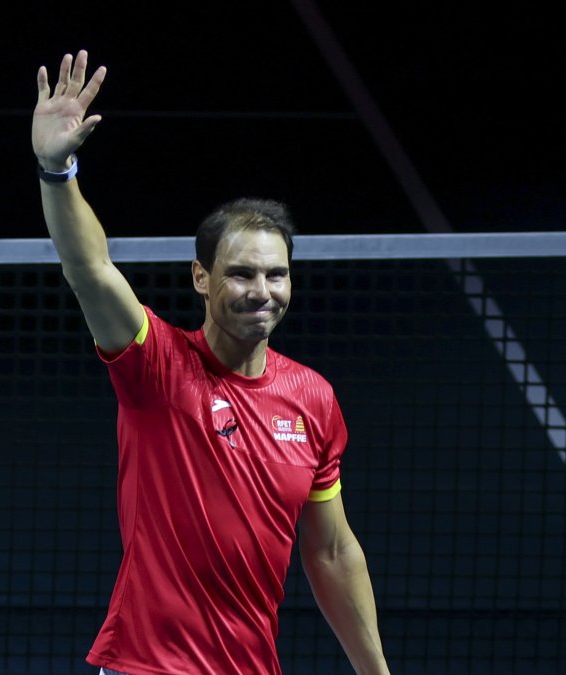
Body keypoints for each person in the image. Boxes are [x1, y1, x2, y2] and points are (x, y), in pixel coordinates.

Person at [31, 50, 390, 675]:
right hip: (150, 665)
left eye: (277, 274)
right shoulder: (157, 366)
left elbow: (330, 551)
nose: (262, 291)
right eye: (242, 273)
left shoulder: (313, 399)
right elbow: (88, 269)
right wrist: (56, 170)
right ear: (202, 277)